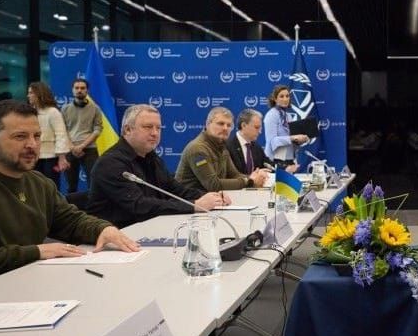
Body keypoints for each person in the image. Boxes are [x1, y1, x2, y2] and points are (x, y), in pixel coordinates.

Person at [0, 100, 139, 294]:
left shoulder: (38, 182)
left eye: (36, 136)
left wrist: (103, 229)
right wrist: (37, 252)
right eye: (20, 137)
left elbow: (71, 221)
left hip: (23, 286)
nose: (32, 144)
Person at [87, 104, 230, 227]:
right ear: (127, 130)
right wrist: (194, 205)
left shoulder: (151, 157)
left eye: (158, 128)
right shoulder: (111, 163)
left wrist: (211, 197)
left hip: (150, 227)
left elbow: (175, 189)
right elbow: (139, 206)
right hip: (119, 235)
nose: (155, 133)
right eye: (148, 127)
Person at [176, 107, 266, 192]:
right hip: (189, 202)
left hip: (211, 201)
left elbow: (234, 174)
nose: (225, 128)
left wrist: (253, 177)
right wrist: (249, 181)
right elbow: (213, 185)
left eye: (229, 125)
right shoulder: (198, 148)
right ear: (207, 124)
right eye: (220, 124)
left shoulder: (222, 146)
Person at [61, 78, 103, 193]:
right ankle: (71, 209)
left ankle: (91, 209)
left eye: (82, 88)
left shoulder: (95, 108)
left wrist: (82, 146)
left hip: (89, 149)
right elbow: (62, 129)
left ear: (87, 90)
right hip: (70, 149)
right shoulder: (65, 109)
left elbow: (98, 129)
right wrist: (72, 146)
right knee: (70, 185)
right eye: (77, 88)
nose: (79, 90)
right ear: (72, 90)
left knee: (93, 182)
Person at [227, 108, 291, 181]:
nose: (260, 132)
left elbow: (269, 165)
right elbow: (231, 176)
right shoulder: (228, 146)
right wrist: (253, 177)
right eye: (257, 127)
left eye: (260, 128)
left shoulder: (256, 147)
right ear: (244, 125)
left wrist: (286, 169)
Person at [27, 81, 70, 188]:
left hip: (50, 157)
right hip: (33, 156)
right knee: (34, 187)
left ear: (39, 93)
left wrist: (61, 157)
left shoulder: (53, 112)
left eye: (31, 93)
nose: (28, 96)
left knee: (50, 187)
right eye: (28, 93)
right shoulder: (29, 112)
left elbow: (61, 134)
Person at [263, 84, 309, 166]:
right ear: (275, 99)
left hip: (289, 160)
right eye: (281, 96)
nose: (285, 99)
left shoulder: (288, 116)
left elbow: (289, 140)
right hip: (274, 161)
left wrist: (299, 140)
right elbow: (272, 141)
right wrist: (292, 138)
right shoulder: (271, 115)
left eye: (287, 96)